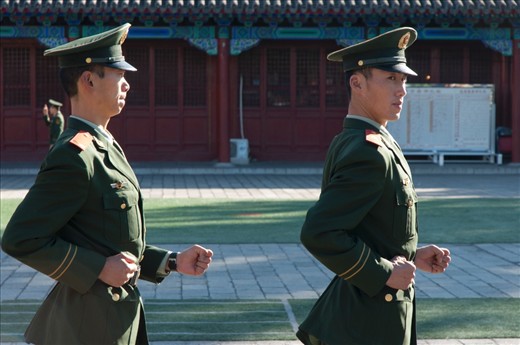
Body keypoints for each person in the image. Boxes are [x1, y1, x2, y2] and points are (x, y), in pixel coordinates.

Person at [1, 23, 213, 345]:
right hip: (87, 327)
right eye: (119, 75)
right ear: (88, 80)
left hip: (110, 320)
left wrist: (172, 261)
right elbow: (20, 238)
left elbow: (108, 239)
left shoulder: (103, 146)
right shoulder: (74, 156)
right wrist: (98, 268)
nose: (127, 84)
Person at [296, 27, 451, 345]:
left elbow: (366, 226)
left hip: (370, 316)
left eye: (404, 80)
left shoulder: (363, 140)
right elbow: (320, 232)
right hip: (365, 325)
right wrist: (383, 272)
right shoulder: (368, 151)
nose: (402, 90)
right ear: (357, 83)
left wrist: (411, 254)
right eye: (391, 79)